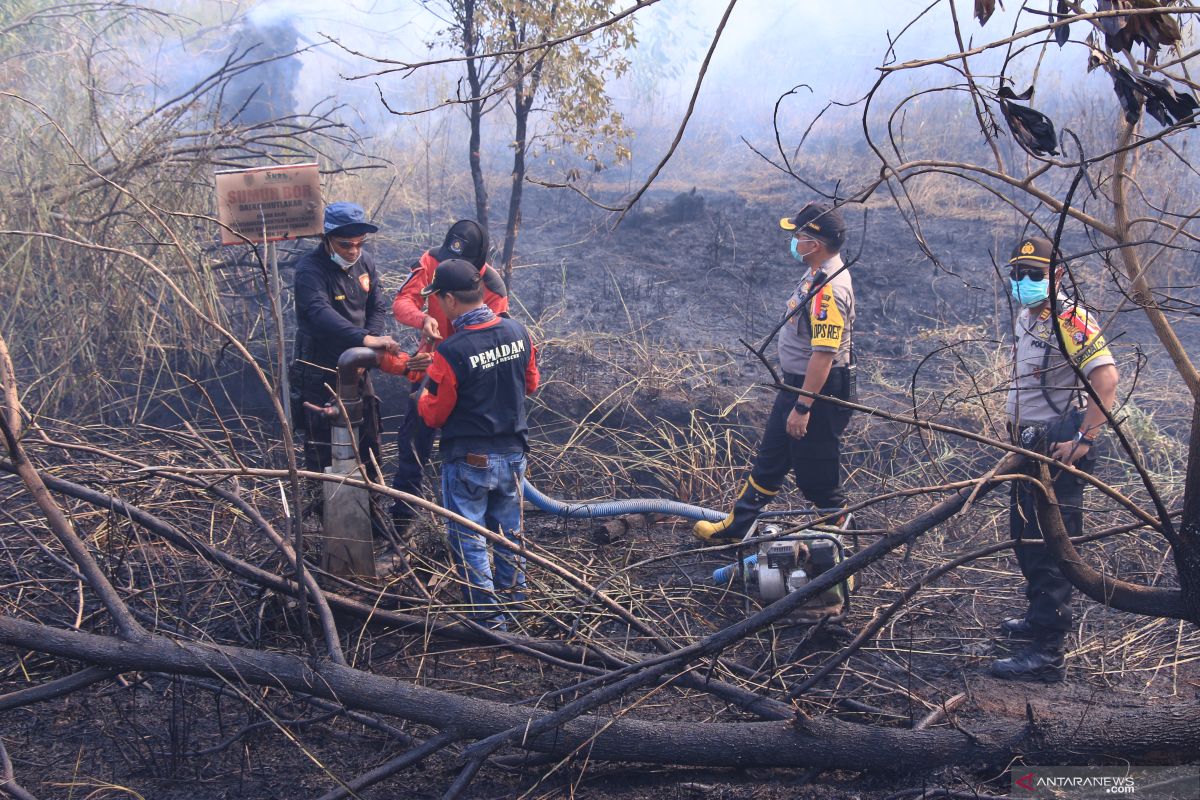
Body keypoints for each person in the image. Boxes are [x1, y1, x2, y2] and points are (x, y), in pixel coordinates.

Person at [993, 235, 1119, 682]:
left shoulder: (1070, 318)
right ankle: (1037, 619)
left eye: (1035, 275)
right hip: (1027, 446)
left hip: (1056, 448)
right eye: (1018, 274)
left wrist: (1083, 439)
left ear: (1058, 275)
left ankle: (1047, 653)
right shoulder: (1032, 317)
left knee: (1052, 546)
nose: (1024, 281)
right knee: (1025, 537)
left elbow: (1106, 380)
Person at [694, 202, 855, 544]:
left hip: (819, 392)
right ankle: (737, 527)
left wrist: (803, 407)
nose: (794, 241)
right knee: (771, 458)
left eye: (799, 235)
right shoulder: (816, 273)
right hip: (798, 386)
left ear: (816, 243)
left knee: (818, 477)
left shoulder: (829, 290)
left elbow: (824, 356)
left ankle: (840, 555)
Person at [416, 259, 539, 629]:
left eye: (437, 298)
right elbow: (530, 384)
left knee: (470, 538)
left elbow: (434, 415)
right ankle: (514, 607)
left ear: (450, 299)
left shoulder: (451, 353)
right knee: (510, 535)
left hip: (469, 460)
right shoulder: (518, 332)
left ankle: (488, 620)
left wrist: (421, 392)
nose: (437, 305)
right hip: (514, 456)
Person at [391, 219, 510, 527]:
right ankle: (404, 522)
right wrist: (421, 319)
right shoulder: (432, 260)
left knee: (470, 457)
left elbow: (491, 337)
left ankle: (473, 528)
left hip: (470, 382)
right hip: (430, 371)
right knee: (412, 445)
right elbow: (402, 301)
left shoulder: (493, 286)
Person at [292, 202, 418, 478]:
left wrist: (368, 339)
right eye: (345, 244)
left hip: (359, 367)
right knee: (323, 450)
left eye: (359, 243)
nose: (353, 251)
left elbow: (377, 307)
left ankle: (372, 511)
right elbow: (319, 313)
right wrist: (364, 339)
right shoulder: (309, 270)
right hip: (320, 371)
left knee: (369, 441)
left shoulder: (365, 262)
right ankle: (323, 514)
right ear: (326, 239)